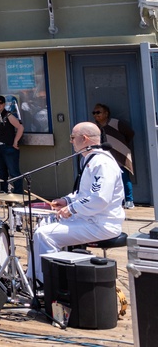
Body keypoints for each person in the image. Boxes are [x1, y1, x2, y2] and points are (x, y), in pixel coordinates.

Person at [29, 121, 125, 283]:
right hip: (90, 219)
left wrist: (72, 209)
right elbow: (83, 193)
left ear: (85, 138)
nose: (71, 141)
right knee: (43, 225)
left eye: (73, 137)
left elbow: (99, 198)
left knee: (44, 235)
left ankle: (47, 283)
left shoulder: (102, 163)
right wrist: (66, 200)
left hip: (102, 224)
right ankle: (33, 278)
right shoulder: (90, 160)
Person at [92, 103, 135, 209]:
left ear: (106, 113)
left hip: (119, 154)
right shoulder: (94, 127)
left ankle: (129, 200)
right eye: (94, 112)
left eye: (98, 112)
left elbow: (130, 133)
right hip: (104, 156)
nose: (96, 115)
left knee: (124, 176)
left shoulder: (116, 123)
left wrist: (121, 145)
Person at [0, 95, 24, 193]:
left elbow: (20, 127)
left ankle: (18, 194)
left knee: (14, 172)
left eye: (0, 103)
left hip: (8, 147)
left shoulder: (8, 115)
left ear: (4, 104)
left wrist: (15, 141)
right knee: (2, 172)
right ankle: (4, 192)